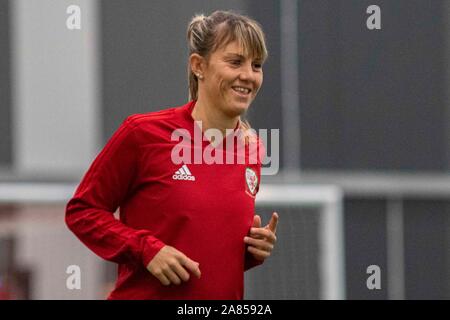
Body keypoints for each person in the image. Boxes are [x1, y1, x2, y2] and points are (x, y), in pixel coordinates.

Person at [65, 10, 278, 300]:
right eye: (235, 62)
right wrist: (145, 249)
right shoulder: (143, 134)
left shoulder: (252, 148)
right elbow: (82, 211)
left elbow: (204, 245)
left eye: (256, 65)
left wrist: (251, 252)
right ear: (198, 65)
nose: (248, 75)